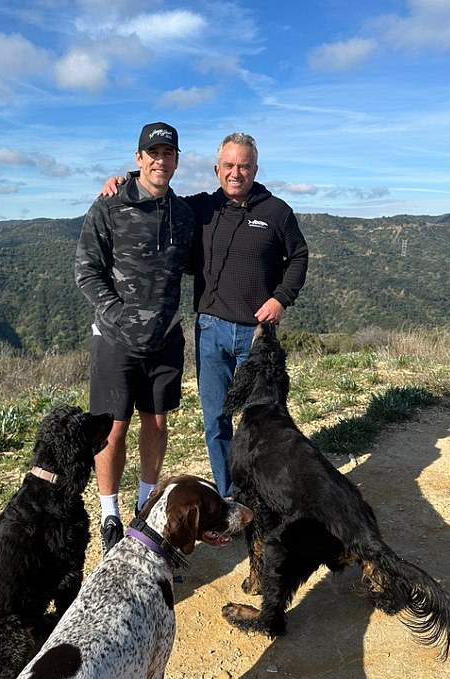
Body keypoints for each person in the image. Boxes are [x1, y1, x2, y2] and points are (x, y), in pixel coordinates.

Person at [100, 132, 308, 500]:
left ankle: (267, 493)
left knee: (264, 420)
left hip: (258, 335)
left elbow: (299, 256)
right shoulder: (200, 208)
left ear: (255, 169)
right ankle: (230, 495)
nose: (236, 173)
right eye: (229, 165)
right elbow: (155, 195)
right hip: (210, 330)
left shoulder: (276, 212)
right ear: (216, 169)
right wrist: (123, 181)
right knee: (216, 421)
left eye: (243, 166)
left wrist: (281, 299)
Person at [76, 121, 194, 555]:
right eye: (153, 153)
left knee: (157, 422)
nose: (161, 161)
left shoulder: (184, 215)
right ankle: (110, 513)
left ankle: (146, 504)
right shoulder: (108, 205)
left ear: (177, 160)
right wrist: (118, 316)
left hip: (165, 339)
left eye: (169, 154)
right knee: (111, 429)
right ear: (139, 158)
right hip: (114, 340)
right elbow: (85, 269)